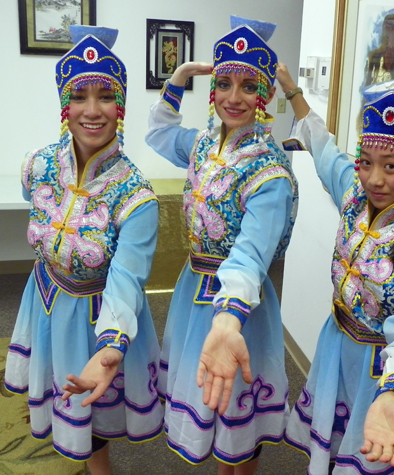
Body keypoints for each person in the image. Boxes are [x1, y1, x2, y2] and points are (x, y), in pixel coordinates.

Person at [276, 63, 394, 473]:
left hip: (378, 372)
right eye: (367, 162)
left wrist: (392, 394)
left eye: (391, 166)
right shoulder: (356, 199)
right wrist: (292, 91)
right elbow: (323, 150)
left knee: (366, 459)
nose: (375, 179)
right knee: (327, 452)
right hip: (335, 345)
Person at [4, 27, 163, 475]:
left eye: (106, 96)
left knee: (89, 416)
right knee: (65, 405)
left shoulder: (135, 196)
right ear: (64, 104)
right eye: (79, 96)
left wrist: (111, 347)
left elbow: (126, 282)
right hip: (45, 301)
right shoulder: (37, 166)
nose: (92, 111)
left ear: (122, 106)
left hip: (96, 319)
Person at [145, 17, 298, 475]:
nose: (233, 97)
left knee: (238, 420)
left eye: (248, 85)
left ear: (265, 95)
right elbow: (158, 132)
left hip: (240, 302)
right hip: (193, 290)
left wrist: (229, 315)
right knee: (211, 403)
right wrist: (177, 80)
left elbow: (251, 255)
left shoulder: (270, 173)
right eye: (225, 83)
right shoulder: (204, 146)